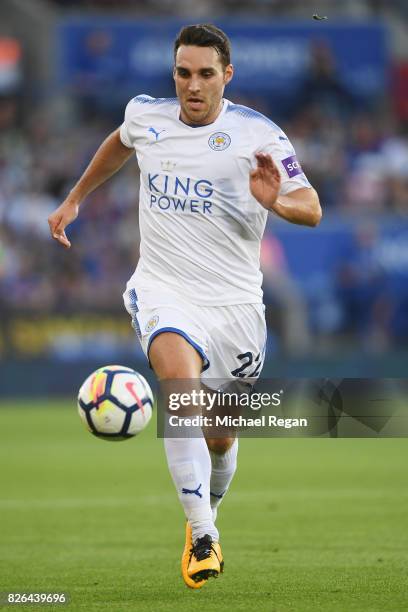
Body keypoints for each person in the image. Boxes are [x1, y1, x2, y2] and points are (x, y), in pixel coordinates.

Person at [48, 23, 321, 589]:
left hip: (237, 306)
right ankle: (203, 535)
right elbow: (119, 142)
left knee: (220, 436)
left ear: (227, 76)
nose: (192, 86)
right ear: (173, 74)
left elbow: (311, 207)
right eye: (182, 73)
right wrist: (75, 199)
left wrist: (278, 204)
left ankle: (208, 510)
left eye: (204, 74)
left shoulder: (258, 135)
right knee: (179, 391)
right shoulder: (148, 116)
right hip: (164, 288)